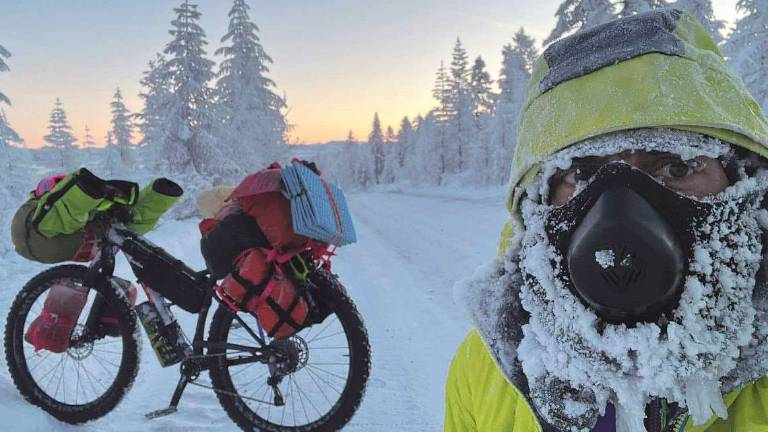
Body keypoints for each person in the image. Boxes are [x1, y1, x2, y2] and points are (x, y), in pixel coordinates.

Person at [445, 10, 768, 432]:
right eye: (580, 176)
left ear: (743, 182)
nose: (620, 213)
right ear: (537, 208)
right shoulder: (483, 370)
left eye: (675, 167)